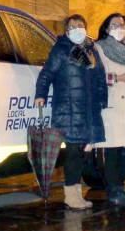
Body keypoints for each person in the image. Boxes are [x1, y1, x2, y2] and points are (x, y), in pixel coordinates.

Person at [35, 14, 108, 210]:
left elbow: (100, 77)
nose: (78, 29)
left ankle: (76, 194)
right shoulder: (61, 50)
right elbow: (47, 73)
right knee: (74, 153)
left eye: (81, 25)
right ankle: (70, 195)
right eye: (73, 26)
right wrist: (40, 94)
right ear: (67, 31)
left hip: (88, 111)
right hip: (68, 110)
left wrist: (102, 100)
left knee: (83, 153)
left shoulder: (91, 51)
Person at [94, 13, 125, 207]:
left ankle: (121, 187)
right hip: (112, 105)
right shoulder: (99, 48)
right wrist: (118, 78)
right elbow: (95, 78)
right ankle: (113, 190)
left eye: (121, 24)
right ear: (106, 28)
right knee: (113, 148)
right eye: (114, 25)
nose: (118, 27)